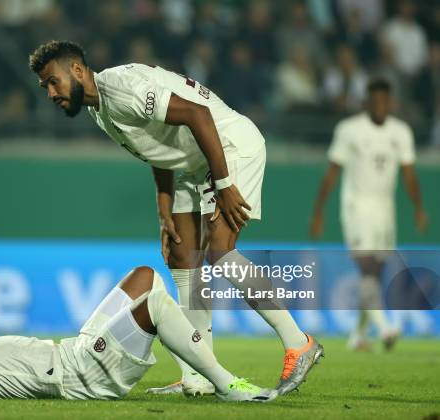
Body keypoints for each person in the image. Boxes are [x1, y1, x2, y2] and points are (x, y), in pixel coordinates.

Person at [28, 40, 323, 396]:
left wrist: (225, 182)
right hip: (194, 161)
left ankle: (298, 342)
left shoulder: (123, 89)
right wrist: (163, 210)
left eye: (52, 81)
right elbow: (159, 148)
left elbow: (197, 114)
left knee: (220, 250)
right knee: (182, 256)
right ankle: (196, 375)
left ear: (76, 70)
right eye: (44, 85)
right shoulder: (99, 108)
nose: (49, 92)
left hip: (228, 146)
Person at [0, 267, 277, 403]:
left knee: (146, 277)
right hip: (79, 375)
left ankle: (192, 376)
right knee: (154, 306)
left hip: (74, 352)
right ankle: (226, 383)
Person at [310, 78, 428, 350]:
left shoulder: (401, 132)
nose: (380, 106)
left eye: (384, 101)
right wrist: (318, 212)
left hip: (386, 208)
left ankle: (357, 336)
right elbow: (332, 172)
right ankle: (385, 328)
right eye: (374, 101)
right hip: (357, 205)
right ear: (366, 103)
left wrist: (419, 208)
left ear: (391, 103)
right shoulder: (349, 129)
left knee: (376, 273)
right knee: (367, 267)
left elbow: (409, 174)